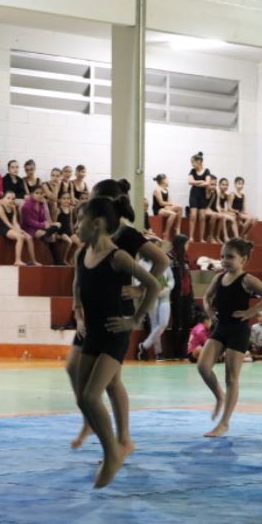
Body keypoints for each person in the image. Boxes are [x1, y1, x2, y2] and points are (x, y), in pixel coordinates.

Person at [66, 179, 168, 452]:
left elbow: (162, 261)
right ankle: (92, 419)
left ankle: (121, 437)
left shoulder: (126, 236)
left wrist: (138, 290)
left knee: (111, 382)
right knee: (74, 368)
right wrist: (77, 308)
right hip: (93, 312)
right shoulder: (88, 243)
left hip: (115, 311)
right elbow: (78, 276)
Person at [197, 239, 262, 437]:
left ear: (244, 260)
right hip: (221, 328)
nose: (225, 260)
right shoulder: (218, 278)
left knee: (231, 377)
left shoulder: (247, 280)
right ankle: (220, 396)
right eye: (222, 256)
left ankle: (224, 423)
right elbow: (206, 297)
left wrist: (251, 312)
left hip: (238, 331)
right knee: (203, 366)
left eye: (230, 257)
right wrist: (209, 311)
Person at [137, 247, 174, 360]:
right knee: (154, 324)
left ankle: (144, 346)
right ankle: (158, 352)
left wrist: (167, 288)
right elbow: (137, 281)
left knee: (163, 323)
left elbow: (171, 279)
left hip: (165, 295)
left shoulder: (163, 260)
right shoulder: (141, 264)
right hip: (151, 296)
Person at [169, 234, 195, 359]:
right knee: (177, 323)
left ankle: (181, 351)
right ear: (181, 244)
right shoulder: (170, 257)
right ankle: (175, 352)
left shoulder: (185, 258)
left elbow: (187, 277)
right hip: (176, 296)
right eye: (187, 243)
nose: (188, 245)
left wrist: (191, 293)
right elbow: (163, 275)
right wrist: (167, 291)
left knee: (187, 323)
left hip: (187, 295)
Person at [0, 190, 37, 266]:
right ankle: (17, 260)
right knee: (20, 237)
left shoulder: (13, 207)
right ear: (3, 199)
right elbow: (7, 223)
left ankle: (33, 260)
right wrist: (17, 231)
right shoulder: (0, 209)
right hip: (4, 229)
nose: (11, 200)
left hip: (11, 228)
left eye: (13, 199)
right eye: (8, 198)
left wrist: (20, 230)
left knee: (29, 237)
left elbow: (14, 222)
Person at [20, 186, 62, 263]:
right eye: (37, 193)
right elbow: (28, 221)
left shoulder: (41, 204)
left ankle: (46, 235)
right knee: (51, 236)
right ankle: (59, 261)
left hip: (39, 227)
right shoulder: (27, 205)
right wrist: (43, 225)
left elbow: (43, 219)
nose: (39, 195)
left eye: (41, 193)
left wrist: (46, 223)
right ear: (32, 194)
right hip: (28, 229)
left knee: (58, 224)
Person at [186, 152, 211, 243]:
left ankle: (201, 238)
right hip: (194, 195)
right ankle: (191, 237)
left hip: (202, 196)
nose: (192, 164)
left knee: (202, 217)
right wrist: (201, 181)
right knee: (193, 216)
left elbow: (207, 183)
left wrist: (196, 182)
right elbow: (190, 181)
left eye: (193, 162)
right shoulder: (192, 171)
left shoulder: (207, 171)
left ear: (199, 161)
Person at [152, 174, 182, 239]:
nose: (168, 181)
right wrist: (169, 204)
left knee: (180, 207)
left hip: (165, 208)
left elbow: (169, 201)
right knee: (173, 214)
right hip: (158, 209)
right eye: (167, 179)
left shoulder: (166, 189)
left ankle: (177, 228)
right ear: (163, 180)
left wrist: (169, 206)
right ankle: (166, 233)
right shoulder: (157, 189)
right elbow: (161, 203)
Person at [56, 191, 81, 266]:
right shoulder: (58, 210)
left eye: (68, 198)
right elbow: (54, 222)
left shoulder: (71, 209)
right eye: (64, 198)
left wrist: (74, 231)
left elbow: (72, 221)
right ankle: (63, 260)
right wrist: (56, 234)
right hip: (61, 232)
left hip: (69, 232)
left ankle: (71, 258)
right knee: (69, 242)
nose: (66, 200)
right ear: (60, 200)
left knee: (80, 243)